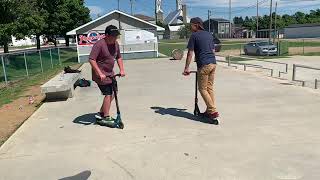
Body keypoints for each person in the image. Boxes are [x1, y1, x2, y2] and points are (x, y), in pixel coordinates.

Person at [183, 17, 219, 122]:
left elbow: (190, 53)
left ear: (196, 25)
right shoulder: (209, 34)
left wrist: (186, 68)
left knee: (202, 89)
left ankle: (212, 111)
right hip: (213, 63)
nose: (190, 26)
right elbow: (213, 50)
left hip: (204, 65)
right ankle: (209, 110)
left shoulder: (194, 36)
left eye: (191, 24)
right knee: (209, 88)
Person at [89, 25, 125, 123]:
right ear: (107, 35)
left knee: (114, 92)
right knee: (108, 94)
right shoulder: (99, 44)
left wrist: (122, 69)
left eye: (116, 36)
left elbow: (118, 57)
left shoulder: (116, 44)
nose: (115, 38)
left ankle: (101, 112)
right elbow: (92, 59)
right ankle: (106, 116)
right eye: (113, 36)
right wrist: (100, 73)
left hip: (110, 74)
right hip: (100, 75)